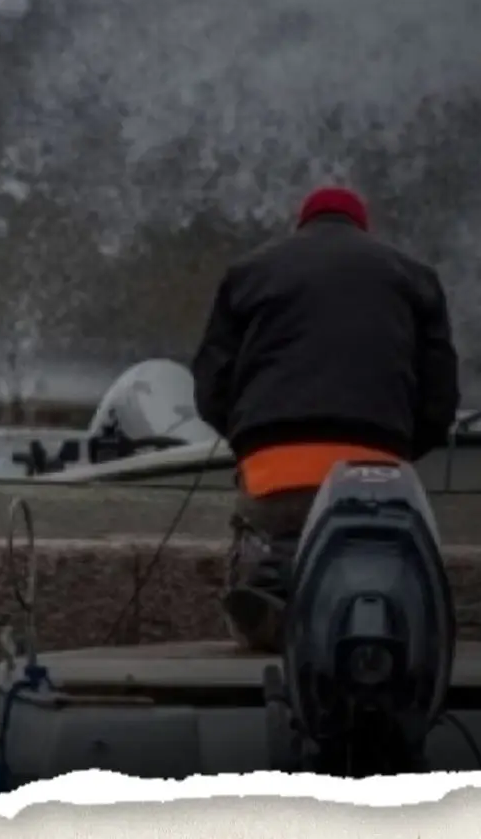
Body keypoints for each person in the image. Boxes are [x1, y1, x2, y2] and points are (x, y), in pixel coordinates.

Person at [189, 184, 461, 652]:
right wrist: (396, 450)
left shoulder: (248, 273)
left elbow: (211, 387)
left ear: (303, 224)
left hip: (274, 468)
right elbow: (440, 403)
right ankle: (357, 615)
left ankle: (271, 588)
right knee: (369, 577)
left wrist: (250, 440)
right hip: (375, 468)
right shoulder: (416, 279)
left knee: (270, 556)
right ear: (362, 227)